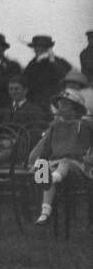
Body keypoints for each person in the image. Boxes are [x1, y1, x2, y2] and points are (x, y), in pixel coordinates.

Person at [28, 88, 93, 225]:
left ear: (75, 108)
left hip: (78, 165)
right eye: (59, 104)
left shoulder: (86, 125)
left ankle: (50, 178)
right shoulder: (54, 126)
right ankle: (45, 212)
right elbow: (45, 152)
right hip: (55, 164)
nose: (60, 107)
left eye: (65, 104)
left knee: (64, 163)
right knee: (46, 169)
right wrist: (39, 165)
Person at [23, 35, 72, 108]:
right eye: (35, 46)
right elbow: (25, 80)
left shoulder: (59, 62)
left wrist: (52, 59)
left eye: (41, 46)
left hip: (52, 102)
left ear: (48, 48)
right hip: (33, 102)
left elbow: (64, 75)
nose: (37, 49)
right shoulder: (31, 63)